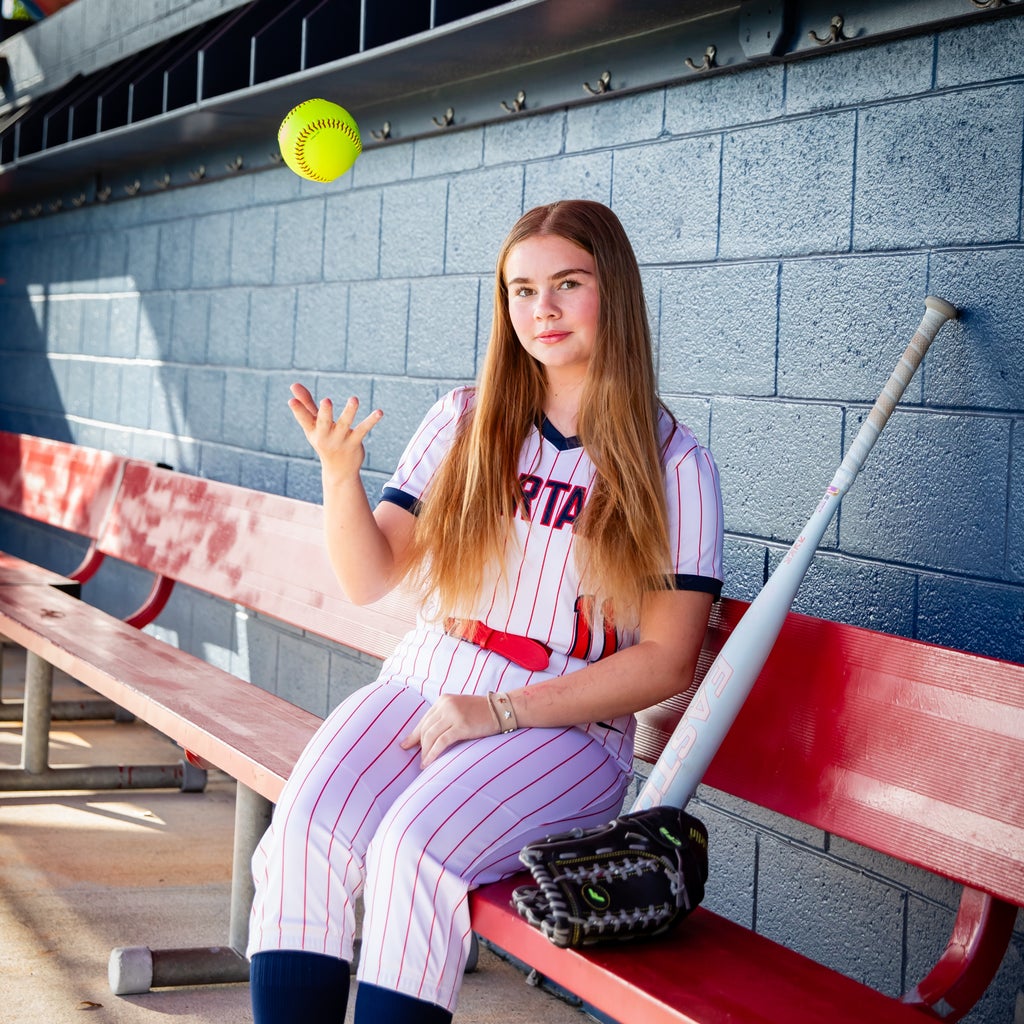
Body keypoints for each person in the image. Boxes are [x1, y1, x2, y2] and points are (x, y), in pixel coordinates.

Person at [246, 199, 724, 1023]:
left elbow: (667, 662)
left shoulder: (673, 460)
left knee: (412, 853)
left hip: (564, 725)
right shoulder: (466, 419)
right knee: (305, 829)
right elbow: (370, 578)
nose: (542, 308)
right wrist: (337, 476)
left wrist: (501, 710)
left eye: (568, 284)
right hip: (428, 682)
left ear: (614, 293)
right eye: (522, 289)